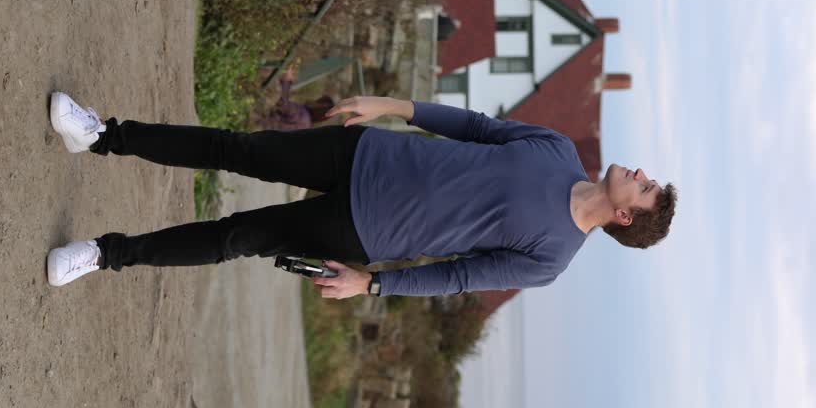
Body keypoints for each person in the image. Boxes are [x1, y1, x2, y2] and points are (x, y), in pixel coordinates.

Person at [45, 91, 677, 299]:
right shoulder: (559, 149)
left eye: (644, 188)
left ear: (625, 216)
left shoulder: (551, 258)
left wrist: (372, 285)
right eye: (647, 178)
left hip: (363, 230)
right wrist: (395, 107)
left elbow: (457, 277)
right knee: (234, 148)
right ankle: (100, 135)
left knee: (236, 236)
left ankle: (104, 255)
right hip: (366, 152)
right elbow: (479, 128)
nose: (639, 172)